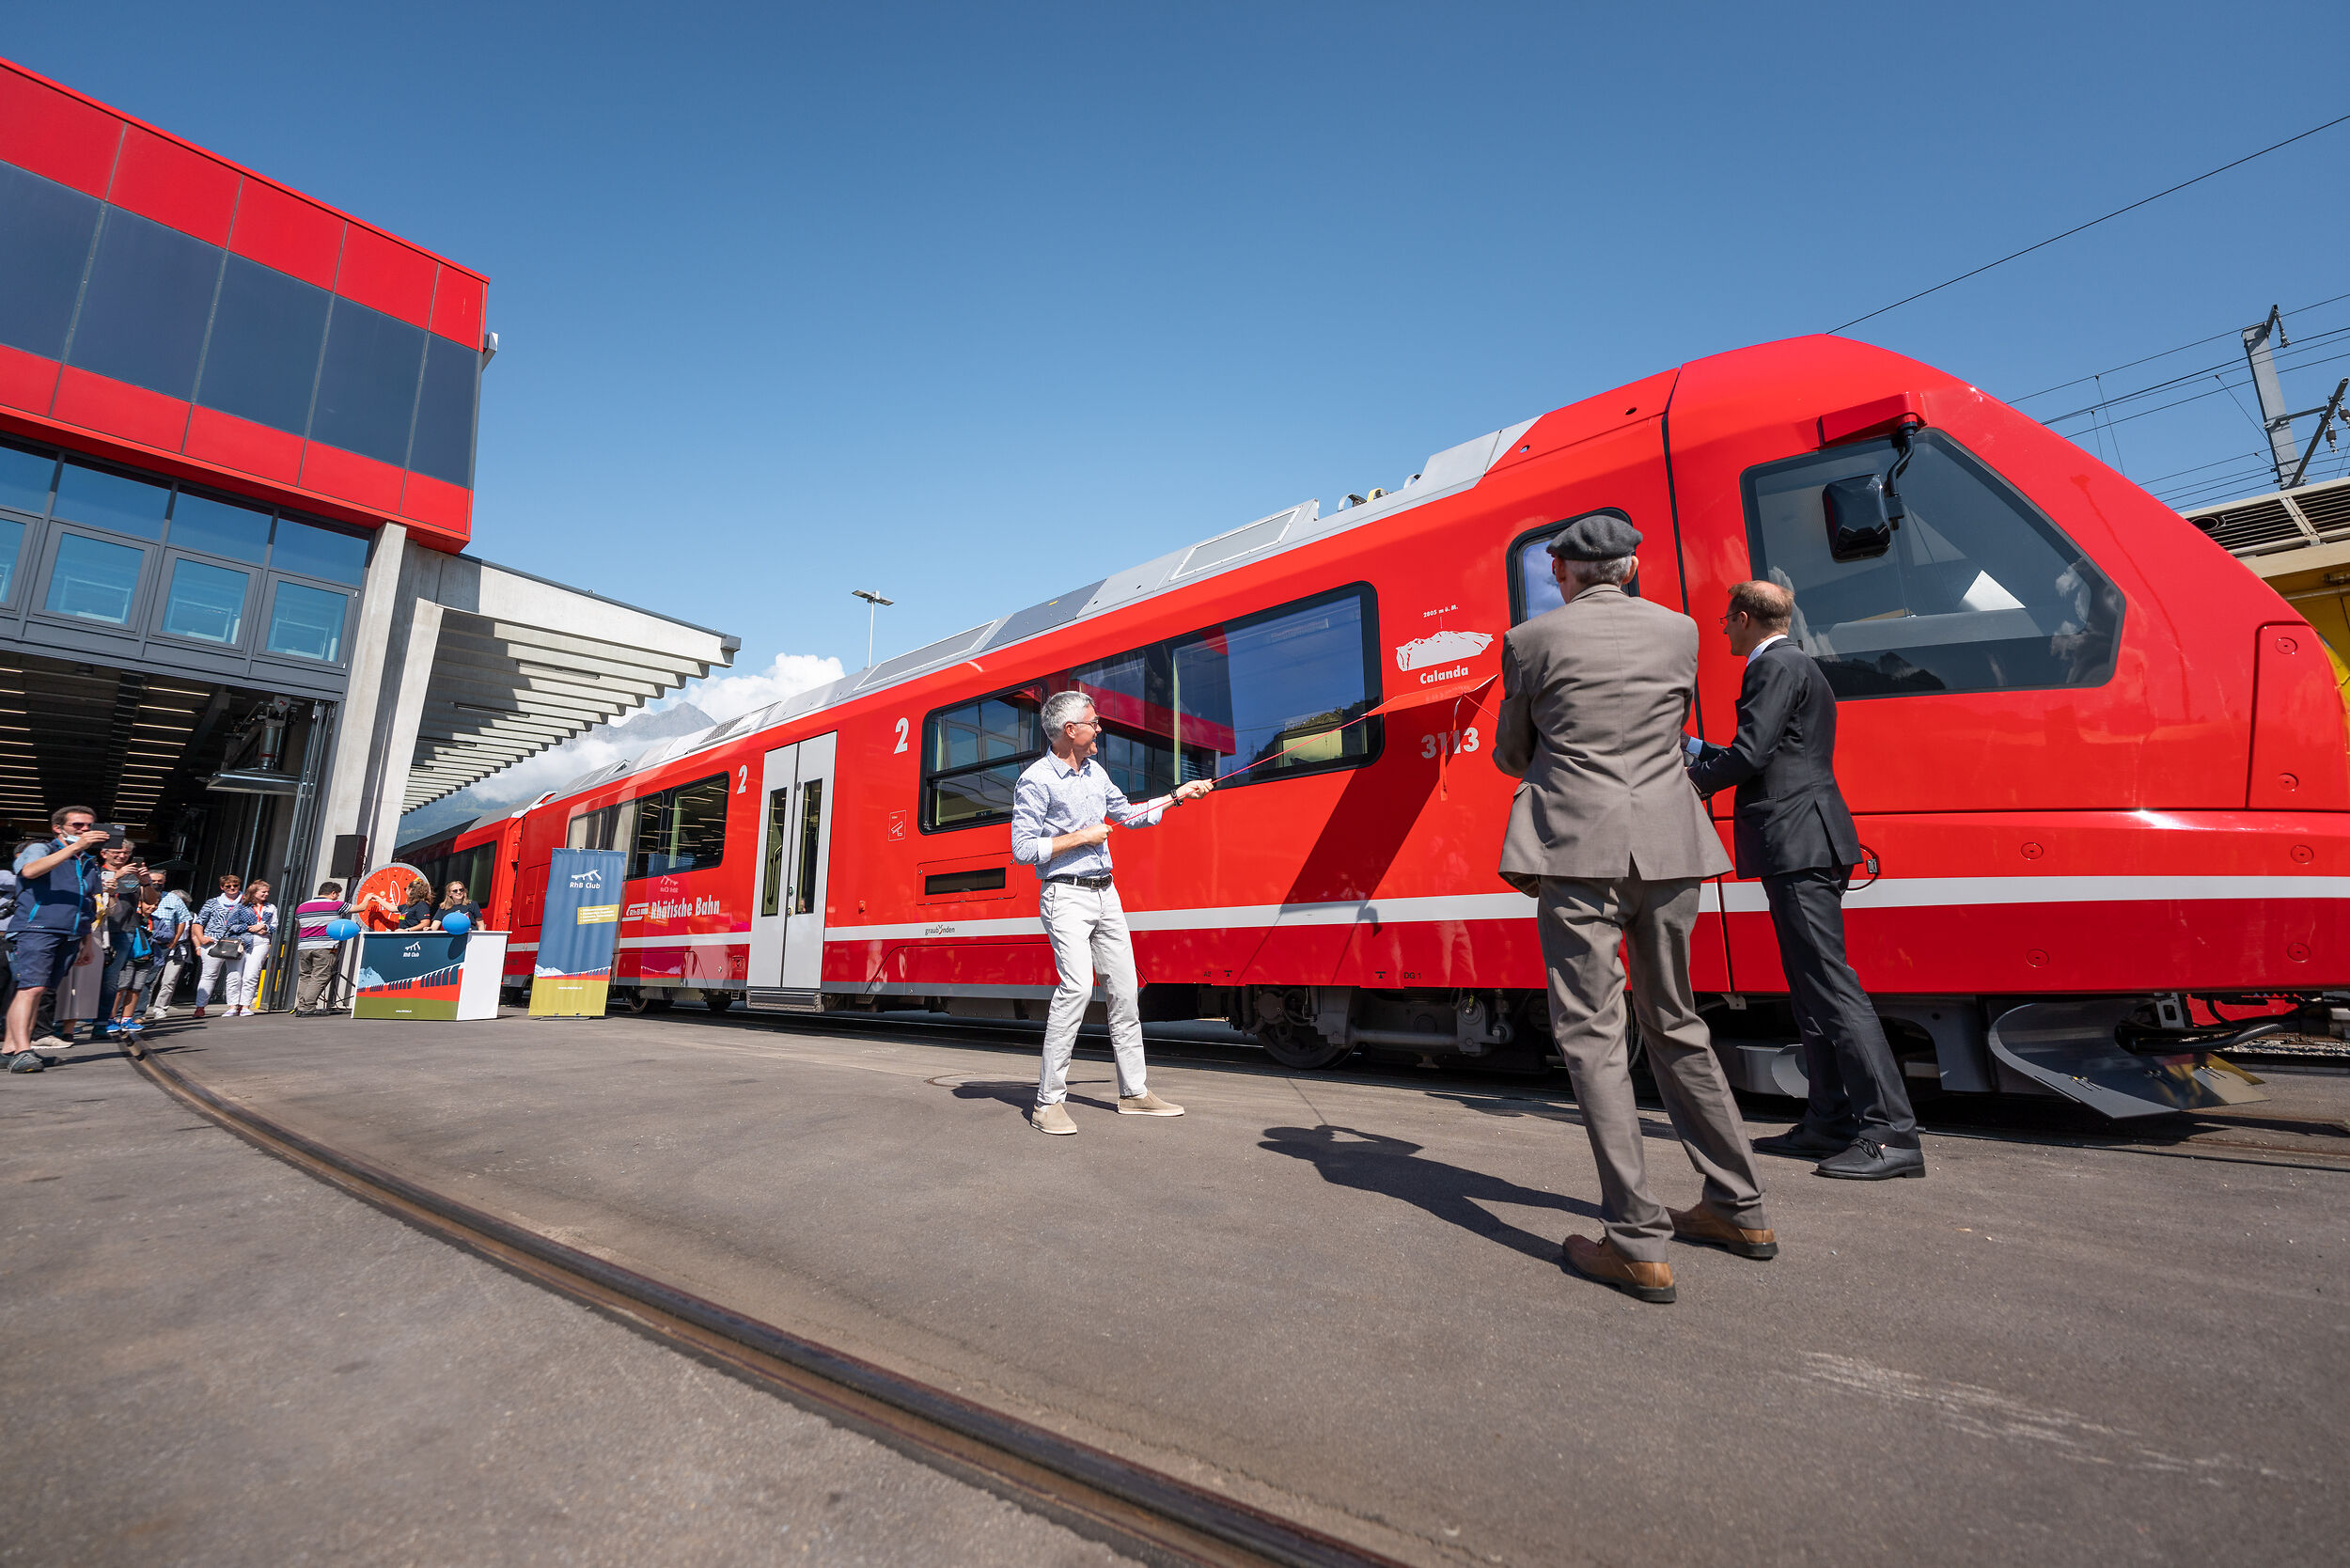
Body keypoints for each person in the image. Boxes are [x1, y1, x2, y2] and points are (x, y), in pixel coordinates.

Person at [1493, 514, 1775, 1306]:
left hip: (1580, 854)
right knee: (1678, 1024)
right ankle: (1740, 1207)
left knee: (1593, 1037)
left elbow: (1515, 754)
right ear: (1631, 566)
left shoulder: (1531, 641)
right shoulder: (1682, 631)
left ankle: (1636, 1244)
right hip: (1671, 846)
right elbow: (1671, 730)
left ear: (1564, 572)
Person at [1688, 580, 1924, 1181]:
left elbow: (1751, 755)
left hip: (1796, 841)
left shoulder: (1769, 669)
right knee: (1811, 986)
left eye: (1726, 621)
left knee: (1830, 985)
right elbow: (1776, 753)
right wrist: (1696, 750)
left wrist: (1693, 778)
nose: (1723, 631)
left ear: (1743, 618)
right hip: (1805, 836)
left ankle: (1891, 1133)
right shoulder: (1802, 667)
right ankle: (1831, 1118)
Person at [1009, 690, 1214, 1135]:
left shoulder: (1096, 772)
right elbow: (1023, 850)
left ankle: (1135, 1093)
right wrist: (1082, 837)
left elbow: (1129, 815)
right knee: (1078, 989)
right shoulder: (1036, 780)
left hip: (1106, 894)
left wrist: (1177, 795)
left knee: (1125, 991)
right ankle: (1047, 1103)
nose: (1100, 728)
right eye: (1093, 722)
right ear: (1070, 731)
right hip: (1064, 896)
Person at [6, 807, 108, 1074]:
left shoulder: (86, 861)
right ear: (58, 827)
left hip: (70, 932)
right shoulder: (42, 848)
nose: (84, 830)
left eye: (89, 826)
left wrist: (86, 941)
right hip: (38, 928)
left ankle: (12, 1049)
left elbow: (86, 902)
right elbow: (28, 871)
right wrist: (74, 849)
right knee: (31, 988)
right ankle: (22, 1051)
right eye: (77, 825)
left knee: (39, 991)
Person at [104, 886, 163, 1058]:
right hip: (130, 956)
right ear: (140, 904)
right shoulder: (134, 917)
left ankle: (126, 1019)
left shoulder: (156, 920)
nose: (152, 907)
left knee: (136, 988)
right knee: (121, 987)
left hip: (146, 959)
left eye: (155, 905)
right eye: (149, 904)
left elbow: (167, 934)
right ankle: (111, 1017)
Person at [190, 873, 245, 1019]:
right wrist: (201, 938)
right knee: (209, 975)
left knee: (235, 975)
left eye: (235, 885)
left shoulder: (246, 902)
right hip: (212, 941)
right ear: (222, 887)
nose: (232, 888)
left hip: (235, 942)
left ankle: (233, 1006)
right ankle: (200, 1006)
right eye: (228, 886)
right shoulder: (212, 903)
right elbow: (199, 922)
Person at [293, 881, 349, 1015]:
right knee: (320, 976)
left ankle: (301, 1006)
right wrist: (368, 897)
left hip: (304, 946)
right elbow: (359, 908)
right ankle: (308, 1007)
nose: (337, 897)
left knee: (305, 975)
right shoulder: (335, 904)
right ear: (333, 893)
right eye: (337, 895)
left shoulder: (302, 906)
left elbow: (299, 925)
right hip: (325, 946)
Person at [145, 878, 197, 1019]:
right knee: (150, 979)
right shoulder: (149, 901)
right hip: (157, 946)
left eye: (185, 903)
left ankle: (160, 1008)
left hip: (178, 948)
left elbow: (189, 931)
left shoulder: (189, 915)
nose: (183, 905)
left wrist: (176, 942)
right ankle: (142, 1008)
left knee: (169, 980)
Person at [226, 880, 277, 1016]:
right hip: (241, 942)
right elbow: (230, 925)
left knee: (252, 974)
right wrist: (250, 928)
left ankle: (245, 1006)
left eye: (267, 892)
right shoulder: (241, 907)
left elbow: (275, 926)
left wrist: (264, 927)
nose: (266, 894)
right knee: (235, 974)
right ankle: (232, 1005)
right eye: (263, 892)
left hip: (261, 942)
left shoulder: (270, 907)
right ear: (254, 892)